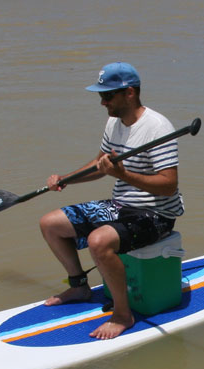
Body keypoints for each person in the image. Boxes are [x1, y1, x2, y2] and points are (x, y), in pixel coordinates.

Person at [39, 62, 183, 340]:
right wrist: (67, 178)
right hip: (120, 206)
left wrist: (123, 174)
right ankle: (79, 286)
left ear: (129, 93)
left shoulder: (158, 127)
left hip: (155, 214)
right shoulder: (114, 122)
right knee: (50, 224)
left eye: (108, 96)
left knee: (98, 241)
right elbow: (100, 164)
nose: (103, 102)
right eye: (101, 96)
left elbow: (168, 186)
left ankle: (122, 314)